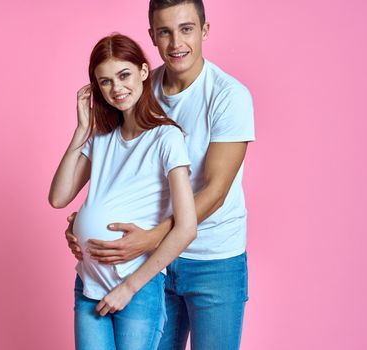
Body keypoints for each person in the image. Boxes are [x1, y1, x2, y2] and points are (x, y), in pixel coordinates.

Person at [64, 1, 256, 349]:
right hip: (149, 265)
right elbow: (120, 167)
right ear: (151, 36)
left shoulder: (229, 96)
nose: (175, 42)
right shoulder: (137, 88)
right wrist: (84, 222)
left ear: (205, 31)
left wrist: (152, 237)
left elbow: (215, 191)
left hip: (213, 261)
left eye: (186, 29)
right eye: (165, 31)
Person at [49, 33, 197, 350]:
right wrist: (80, 130)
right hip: (89, 285)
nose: (117, 88)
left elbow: (186, 228)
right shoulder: (101, 138)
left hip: (136, 287)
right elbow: (58, 198)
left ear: (144, 71)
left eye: (124, 75)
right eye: (105, 82)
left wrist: (128, 288)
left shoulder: (166, 138)